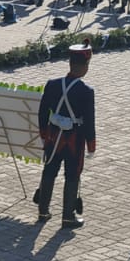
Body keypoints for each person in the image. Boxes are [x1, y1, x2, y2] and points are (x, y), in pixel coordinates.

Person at [34, 44, 96, 228]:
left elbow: (42, 112)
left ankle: (43, 211)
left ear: (70, 63)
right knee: (72, 175)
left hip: (53, 136)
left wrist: (44, 134)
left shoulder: (52, 84)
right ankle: (68, 216)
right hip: (74, 140)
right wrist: (91, 145)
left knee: (49, 170)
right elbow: (89, 121)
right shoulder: (86, 91)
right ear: (85, 66)